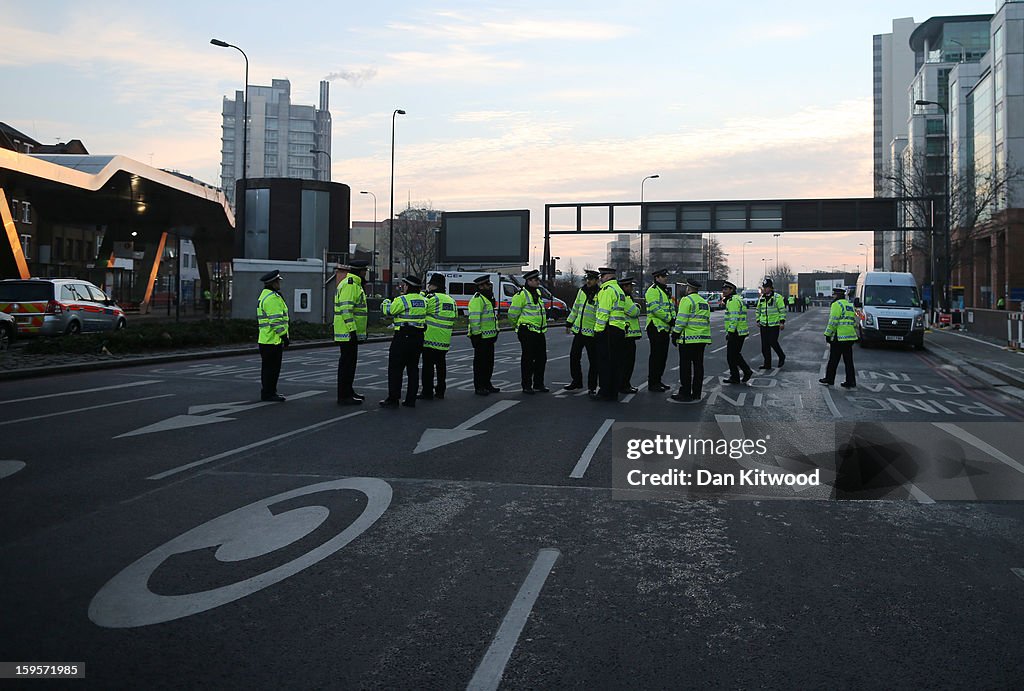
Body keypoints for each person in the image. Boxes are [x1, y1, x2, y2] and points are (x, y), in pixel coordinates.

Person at [379, 275, 426, 408]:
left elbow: (388, 311)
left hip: (403, 336)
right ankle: (411, 400)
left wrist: (386, 302)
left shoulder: (403, 300)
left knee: (395, 368)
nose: (402, 287)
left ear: (408, 286)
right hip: (418, 337)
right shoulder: (423, 300)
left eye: (404, 285)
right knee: (413, 368)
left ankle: (393, 399)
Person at [334, 260, 369, 405]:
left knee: (350, 364)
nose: (366, 273)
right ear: (360, 271)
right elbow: (346, 309)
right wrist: (352, 330)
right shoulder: (350, 285)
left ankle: (348, 391)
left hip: (349, 333)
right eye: (365, 271)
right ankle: (344, 395)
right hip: (348, 333)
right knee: (347, 365)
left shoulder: (354, 284)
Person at [509, 269, 549, 393]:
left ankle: (538, 383)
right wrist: (517, 326)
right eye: (536, 280)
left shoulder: (537, 292)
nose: (538, 281)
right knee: (528, 359)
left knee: (541, 358)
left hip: (539, 331)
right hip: (527, 331)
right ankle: (526, 385)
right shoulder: (521, 295)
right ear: (529, 281)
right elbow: (512, 314)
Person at [671, 279, 710, 403]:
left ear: (688, 288)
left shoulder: (686, 300)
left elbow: (681, 320)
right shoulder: (704, 302)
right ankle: (697, 393)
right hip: (702, 339)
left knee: (685, 367)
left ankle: (685, 392)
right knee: (699, 366)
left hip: (688, 339)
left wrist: (675, 334)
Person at [420, 273, 457, 400]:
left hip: (430, 340)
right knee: (441, 367)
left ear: (433, 285)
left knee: (428, 368)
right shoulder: (451, 300)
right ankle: (441, 391)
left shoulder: (432, 299)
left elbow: (421, 310)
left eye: (430, 284)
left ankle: (427, 392)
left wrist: (423, 295)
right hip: (444, 341)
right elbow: (455, 317)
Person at [592, 266, 626, 401]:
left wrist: (598, 330)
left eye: (602, 276)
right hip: (618, 329)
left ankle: (605, 391)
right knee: (616, 363)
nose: (600, 278)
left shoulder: (607, 290)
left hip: (607, 331)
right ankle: (613, 391)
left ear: (607, 276)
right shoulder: (618, 289)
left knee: (605, 363)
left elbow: (603, 313)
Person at [256, 270, 289, 402]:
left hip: (266, 339)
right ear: (272, 283)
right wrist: (284, 336)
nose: (279, 283)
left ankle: (268, 392)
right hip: (272, 340)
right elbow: (275, 321)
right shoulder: (271, 298)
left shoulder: (266, 295)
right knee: (272, 369)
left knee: (268, 368)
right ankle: (269, 393)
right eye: (277, 281)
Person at [565, 270, 600, 393]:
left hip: (591, 333)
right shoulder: (582, 291)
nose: (588, 281)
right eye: (587, 278)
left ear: (597, 280)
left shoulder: (599, 294)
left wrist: (598, 330)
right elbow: (575, 308)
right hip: (579, 331)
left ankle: (592, 387)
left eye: (591, 279)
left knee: (593, 361)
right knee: (574, 357)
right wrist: (569, 322)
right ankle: (576, 381)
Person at [468, 275, 500, 395]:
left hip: (489, 337)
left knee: (489, 363)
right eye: (487, 284)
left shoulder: (487, 298)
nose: (489, 286)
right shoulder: (478, 299)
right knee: (480, 364)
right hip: (481, 338)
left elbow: (492, 318)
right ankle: (479, 386)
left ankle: (487, 383)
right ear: (481, 286)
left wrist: (496, 330)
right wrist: (476, 335)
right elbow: (474, 319)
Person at [819, 286, 858, 388]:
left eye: (834, 295)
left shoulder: (836, 305)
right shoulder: (849, 305)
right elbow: (854, 321)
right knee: (848, 361)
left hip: (839, 337)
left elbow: (833, 321)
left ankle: (829, 379)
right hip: (850, 337)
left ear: (837, 295)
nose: (833, 296)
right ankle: (851, 381)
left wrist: (828, 334)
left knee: (833, 359)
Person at [645, 268, 674, 392]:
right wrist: (669, 319)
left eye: (665, 276)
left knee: (662, 357)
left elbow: (671, 306)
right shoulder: (652, 291)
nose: (665, 278)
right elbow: (656, 309)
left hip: (664, 328)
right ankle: (653, 383)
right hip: (655, 327)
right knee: (656, 357)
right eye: (663, 276)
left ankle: (658, 380)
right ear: (656, 278)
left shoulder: (664, 291)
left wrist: (673, 318)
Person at [721, 280, 753, 385]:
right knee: (735, 355)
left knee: (731, 356)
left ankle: (741, 374)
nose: (723, 291)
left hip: (736, 332)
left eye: (726, 289)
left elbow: (734, 318)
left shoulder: (733, 301)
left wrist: (730, 332)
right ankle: (741, 374)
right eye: (723, 289)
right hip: (739, 331)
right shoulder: (736, 299)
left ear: (731, 290)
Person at [756, 278, 786, 369]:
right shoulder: (761, 298)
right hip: (764, 325)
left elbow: (782, 310)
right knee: (764, 346)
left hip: (774, 324)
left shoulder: (777, 297)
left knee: (772, 342)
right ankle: (767, 364)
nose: (765, 289)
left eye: (767, 287)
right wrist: (758, 320)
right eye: (764, 287)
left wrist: (782, 322)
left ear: (771, 288)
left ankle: (781, 356)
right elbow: (758, 310)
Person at [619, 276, 642, 393]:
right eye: (630, 286)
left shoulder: (624, 297)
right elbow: (634, 311)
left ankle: (623, 384)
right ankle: (624, 385)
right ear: (625, 287)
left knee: (625, 362)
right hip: (627, 336)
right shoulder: (626, 298)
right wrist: (637, 306)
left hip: (626, 334)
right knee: (627, 363)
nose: (632, 288)